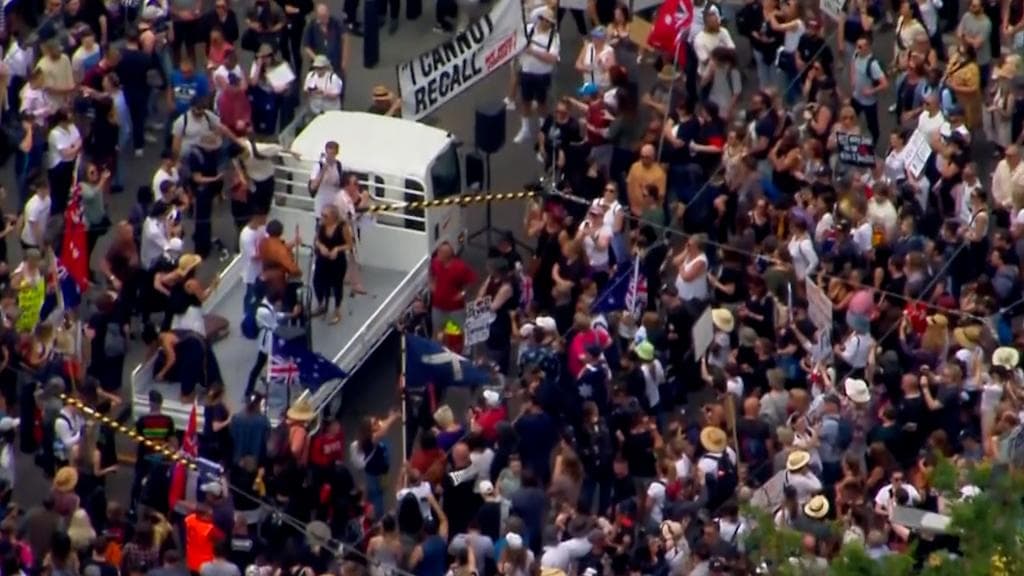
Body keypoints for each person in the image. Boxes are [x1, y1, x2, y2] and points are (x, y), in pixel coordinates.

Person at [312, 205, 353, 325]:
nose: (322, 218)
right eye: (322, 215)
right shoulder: (321, 225)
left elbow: (350, 245)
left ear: (333, 217)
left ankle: (337, 310)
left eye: (325, 216)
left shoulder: (342, 227)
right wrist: (321, 246)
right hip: (322, 258)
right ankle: (321, 304)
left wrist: (337, 249)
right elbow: (316, 240)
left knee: (337, 285)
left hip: (337, 261)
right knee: (317, 281)